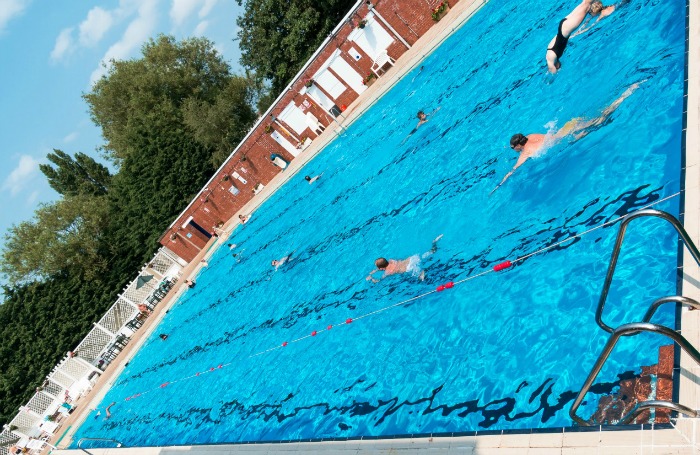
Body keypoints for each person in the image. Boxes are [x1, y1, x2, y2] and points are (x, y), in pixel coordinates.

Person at [493, 82, 642, 192]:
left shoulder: (525, 152)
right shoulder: (531, 135)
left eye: (514, 148)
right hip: (568, 126)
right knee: (600, 116)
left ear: (518, 146)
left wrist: (499, 184)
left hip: (571, 134)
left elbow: (513, 170)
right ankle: (625, 94)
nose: (514, 150)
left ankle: (627, 93)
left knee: (603, 117)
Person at [367, 235, 443, 283]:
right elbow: (385, 265)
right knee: (430, 252)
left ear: (382, 268)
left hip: (409, 268)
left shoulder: (388, 272)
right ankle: (434, 243)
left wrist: (371, 278)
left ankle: (421, 273)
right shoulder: (391, 260)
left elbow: (379, 281)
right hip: (412, 259)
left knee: (420, 280)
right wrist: (376, 270)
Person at [546, 0, 593, 73]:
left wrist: (553, 72)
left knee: (587, 5)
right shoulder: (554, 53)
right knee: (585, 4)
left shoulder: (550, 58)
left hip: (567, 28)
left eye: (559, 67)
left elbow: (552, 72)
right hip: (564, 25)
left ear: (557, 66)